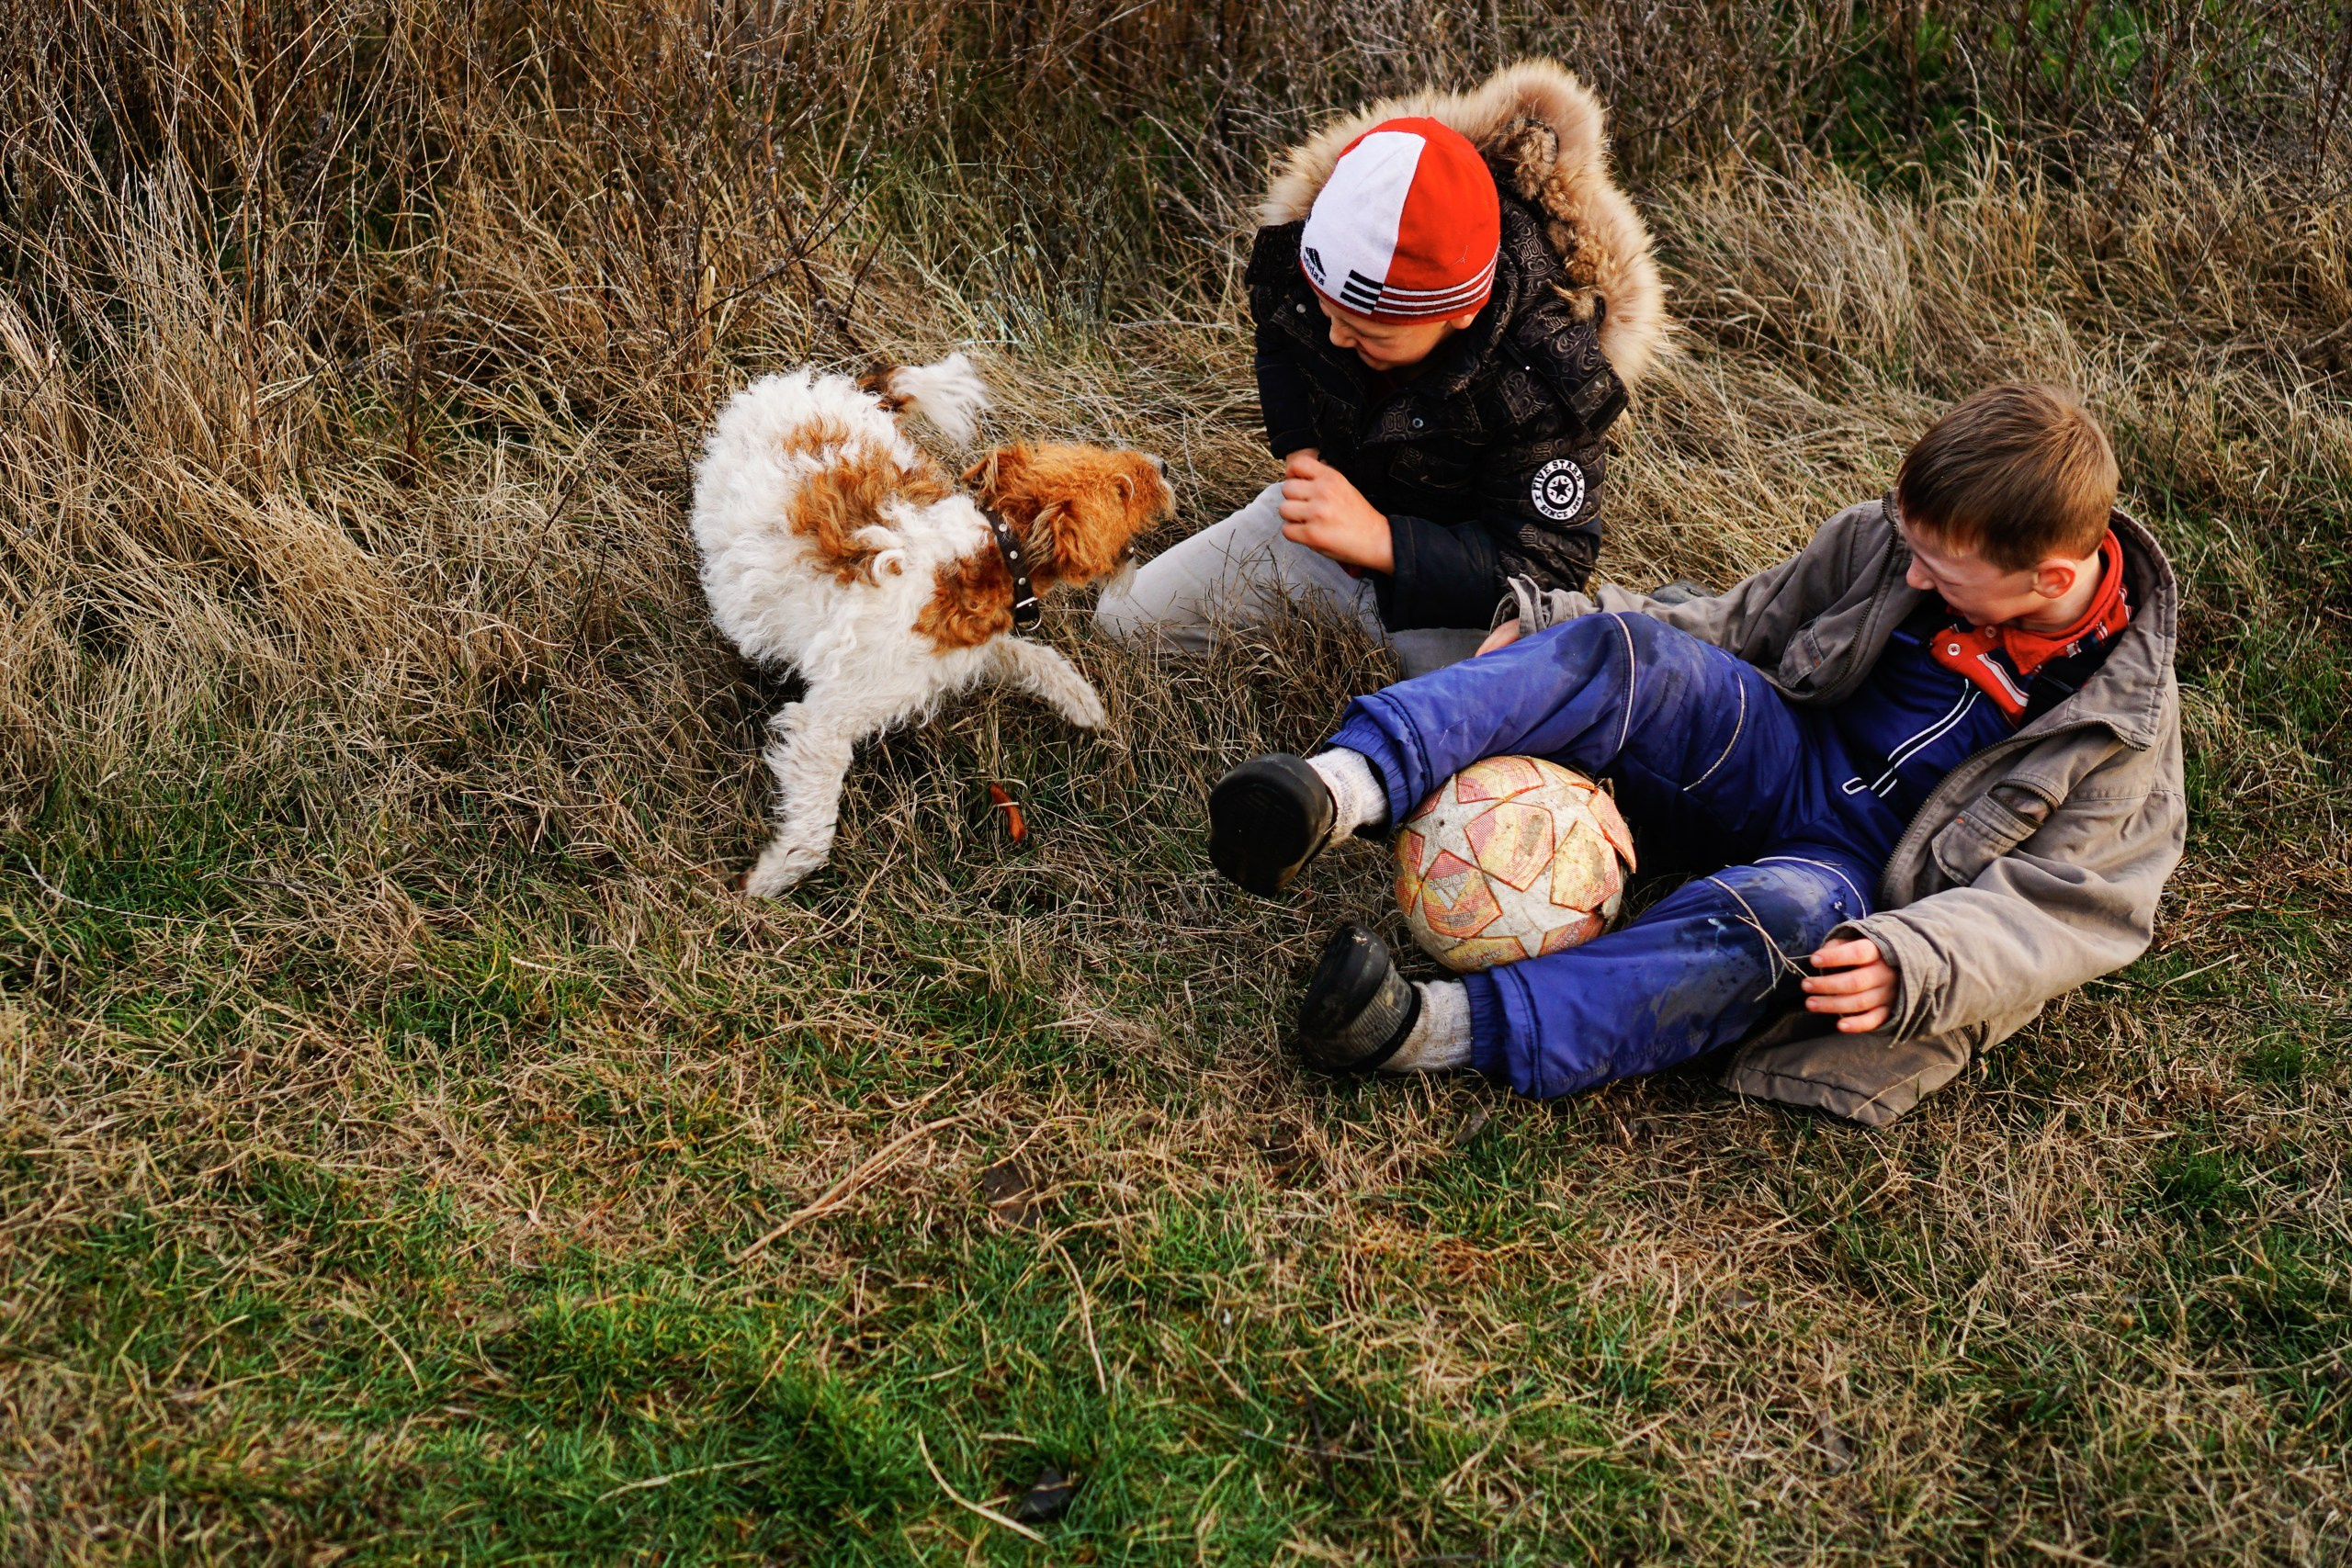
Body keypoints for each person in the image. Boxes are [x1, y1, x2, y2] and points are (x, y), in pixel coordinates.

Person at [1204, 384, 2187, 1126]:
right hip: (1782, 752)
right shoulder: (1892, 541)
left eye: (1942, 571)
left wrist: (1918, 960)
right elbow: (1738, 622)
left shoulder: (2120, 728)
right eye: (1911, 549)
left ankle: (1426, 1030)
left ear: (2049, 577)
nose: (1913, 572)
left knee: (1780, 922)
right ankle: (1335, 790)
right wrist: (1559, 628)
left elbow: (2070, 913)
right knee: (1634, 651)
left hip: (1858, 877)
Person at [1096, 62, 1665, 678]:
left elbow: (1548, 564)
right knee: (1123, 624)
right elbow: (1281, 340)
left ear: (1462, 312)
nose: (1336, 336)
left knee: (1513, 700)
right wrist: (1303, 456)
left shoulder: (1548, 369)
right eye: (1326, 310)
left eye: (1367, 332)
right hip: (1319, 535)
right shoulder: (1308, 252)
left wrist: (1382, 541)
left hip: (1460, 603)